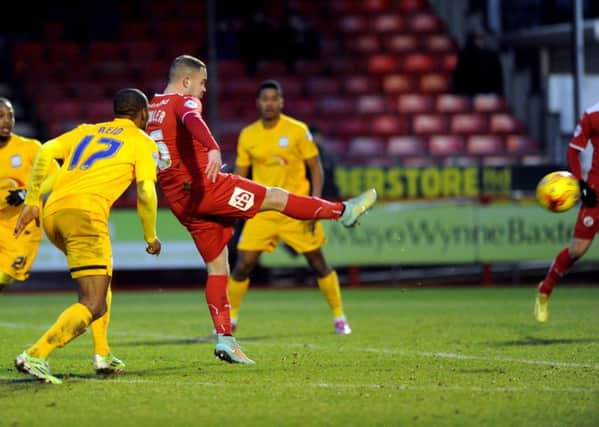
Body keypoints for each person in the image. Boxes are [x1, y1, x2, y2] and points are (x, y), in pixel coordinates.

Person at [146, 55, 376, 364]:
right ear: (187, 81)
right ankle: (343, 212)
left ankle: (226, 339)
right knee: (277, 197)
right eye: (202, 82)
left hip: (180, 201)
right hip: (206, 187)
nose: (204, 89)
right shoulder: (182, 101)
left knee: (219, 268)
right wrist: (213, 146)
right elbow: (193, 118)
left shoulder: (152, 106)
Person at [13, 88, 161, 384]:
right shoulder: (142, 142)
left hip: (54, 213)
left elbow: (44, 152)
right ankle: (36, 354)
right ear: (142, 113)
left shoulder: (85, 131)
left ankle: (102, 354)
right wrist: (150, 236)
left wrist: (32, 200)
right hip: (85, 215)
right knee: (93, 302)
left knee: (101, 276)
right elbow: (145, 191)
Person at [227, 80, 351, 336]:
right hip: (263, 211)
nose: (270, 103)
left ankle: (339, 317)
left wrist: (314, 205)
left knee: (318, 263)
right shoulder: (248, 135)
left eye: (275, 98)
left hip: (295, 209)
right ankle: (230, 320)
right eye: (265, 99)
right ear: (258, 103)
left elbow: (316, 167)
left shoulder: (297, 130)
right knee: (243, 265)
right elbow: (241, 177)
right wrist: (237, 210)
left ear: (282, 102)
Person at [534, 102, 599, 322]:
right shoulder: (592, 114)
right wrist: (581, 184)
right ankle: (545, 289)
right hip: (596, 191)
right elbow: (573, 150)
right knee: (577, 250)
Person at [0, 97, 57, 290]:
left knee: (3, 276)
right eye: (1, 116)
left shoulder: (30, 148)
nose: (7, 121)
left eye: (10, 116)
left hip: (23, 228)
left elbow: (56, 175)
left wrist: (27, 193)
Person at [451, 30, 504, 97]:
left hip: (487, 97)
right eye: (476, 38)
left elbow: (498, 83)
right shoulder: (461, 56)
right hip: (467, 97)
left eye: (480, 38)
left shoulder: (492, 56)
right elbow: (457, 82)